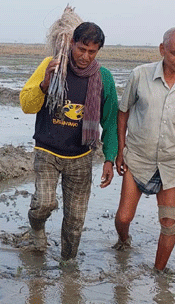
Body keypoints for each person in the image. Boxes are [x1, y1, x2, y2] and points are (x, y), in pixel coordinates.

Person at [19, 21, 118, 261]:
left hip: (81, 157)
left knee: (75, 220)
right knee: (44, 203)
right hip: (48, 151)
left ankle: (68, 266)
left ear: (98, 52)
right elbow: (26, 104)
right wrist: (44, 84)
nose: (85, 56)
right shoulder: (51, 66)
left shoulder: (103, 78)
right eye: (81, 49)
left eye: (91, 52)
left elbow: (111, 121)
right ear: (72, 43)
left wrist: (109, 159)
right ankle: (36, 228)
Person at [113, 27, 175, 271]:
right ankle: (123, 240)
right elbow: (123, 112)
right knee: (123, 217)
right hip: (138, 159)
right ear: (163, 50)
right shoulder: (140, 75)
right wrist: (120, 151)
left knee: (169, 223)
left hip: (170, 163)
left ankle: (158, 274)